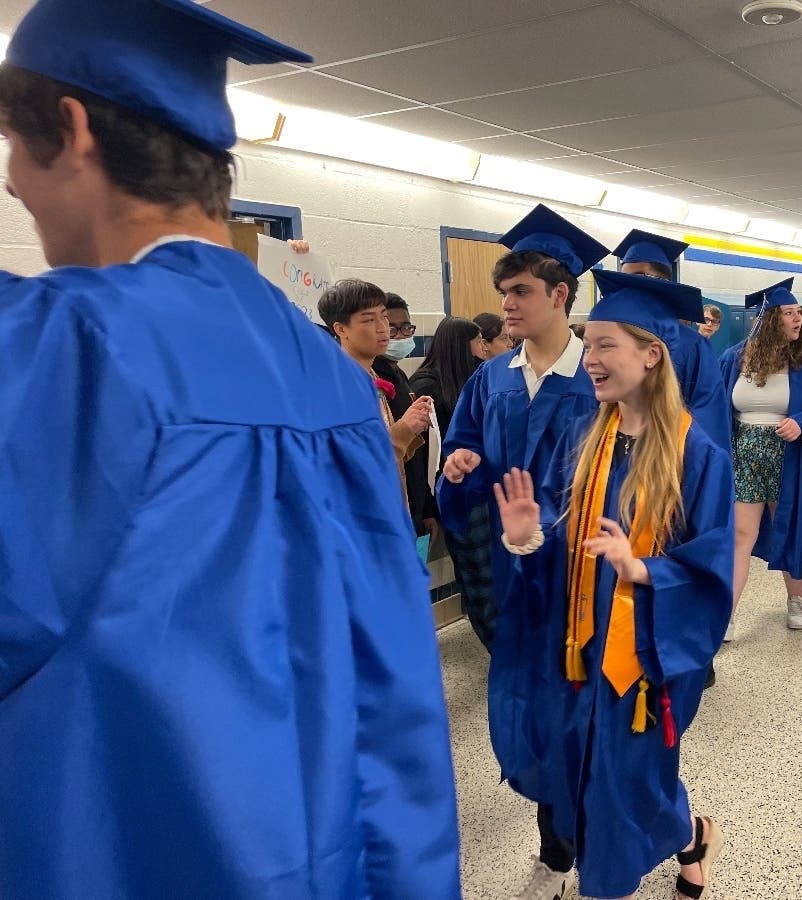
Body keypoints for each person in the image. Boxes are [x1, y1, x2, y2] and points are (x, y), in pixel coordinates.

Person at [0, 2, 460, 898]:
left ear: (71, 127)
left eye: (15, 158)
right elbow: (395, 689)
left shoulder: (62, 348)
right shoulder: (330, 380)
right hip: (321, 853)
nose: (18, 189)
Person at [493, 269, 734, 900]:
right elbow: (558, 525)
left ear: (651, 355)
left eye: (604, 346)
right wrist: (528, 534)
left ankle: (615, 879)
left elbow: (712, 565)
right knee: (585, 772)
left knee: (629, 781)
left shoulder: (698, 454)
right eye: (587, 343)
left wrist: (645, 570)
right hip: (577, 649)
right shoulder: (585, 439)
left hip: (645, 660)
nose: (590, 359)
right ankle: (691, 837)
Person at [438, 203, 608, 900]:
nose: (505, 303)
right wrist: (459, 464)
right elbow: (464, 451)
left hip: (585, 577)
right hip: (517, 576)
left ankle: (610, 841)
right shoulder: (492, 378)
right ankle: (559, 846)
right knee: (540, 712)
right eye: (502, 292)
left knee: (590, 716)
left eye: (520, 292)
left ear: (560, 295)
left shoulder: (599, 380)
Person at [719, 279, 802, 638]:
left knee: (792, 527)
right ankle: (728, 611)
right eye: (788, 313)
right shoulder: (736, 358)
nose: (797, 318)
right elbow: (717, 406)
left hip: (790, 457)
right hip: (744, 454)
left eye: (798, 311)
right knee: (740, 534)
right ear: (770, 320)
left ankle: (796, 599)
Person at [318, 280, 435, 515]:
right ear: (341, 329)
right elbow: (351, 465)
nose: (383, 327)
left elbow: (391, 458)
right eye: (369, 320)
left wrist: (411, 428)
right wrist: (403, 429)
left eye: (383, 316)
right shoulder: (335, 387)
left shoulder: (370, 376)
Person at [613, 228, 731, 450]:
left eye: (636, 277)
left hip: (669, 458)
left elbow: (709, 418)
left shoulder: (691, 345)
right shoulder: (613, 339)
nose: (627, 287)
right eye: (623, 278)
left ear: (661, 281)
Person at [410, 316, 489, 641]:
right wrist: (429, 505)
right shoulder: (427, 385)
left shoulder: (472, 379)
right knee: (476, 575)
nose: (483, 347)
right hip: (448, 494)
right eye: (478, 340)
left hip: (478, 491)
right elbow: (424, 455)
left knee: (486, 575)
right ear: (461, 344)